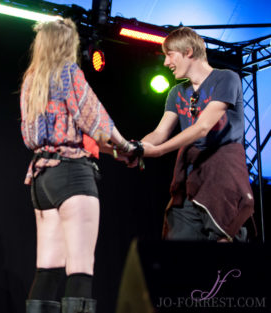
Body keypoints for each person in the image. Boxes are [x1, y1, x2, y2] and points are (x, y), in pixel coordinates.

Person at [20, 19, 139, 313]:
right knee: (81, 265)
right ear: (67, 44)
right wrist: (127, 147)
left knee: (47, 268)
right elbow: (94, 118)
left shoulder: (31, 80)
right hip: (72, 174)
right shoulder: (69, 73)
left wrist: (113, 151)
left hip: (41, 178)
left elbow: (71, 127)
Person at [129, 27, 254, 242]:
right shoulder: (177, 92)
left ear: (188, 52)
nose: (166, 63)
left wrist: (157, 151)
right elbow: (159, 133)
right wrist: (134, 147)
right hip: (190, 180)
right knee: (179, 245)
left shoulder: (226, 79)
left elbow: (203, 126)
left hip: (223, 175)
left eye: (170, 55)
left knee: (223, 242)